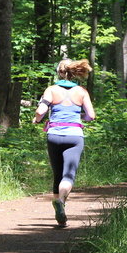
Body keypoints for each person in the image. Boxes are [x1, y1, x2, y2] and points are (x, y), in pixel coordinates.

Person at [32, 59, 96, 227]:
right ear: (74, 72)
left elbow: (40, 111)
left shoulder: (51, 90)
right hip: (74, 136)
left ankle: (59, 211)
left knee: (57, 174)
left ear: (59, 72)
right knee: (68, 175)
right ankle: (61, 201)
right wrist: (80, 117)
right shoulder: (81, 91)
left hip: (54, 135)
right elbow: (91, 116)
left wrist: (37, 120)